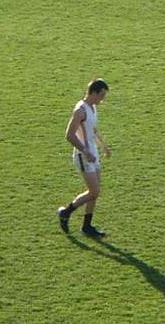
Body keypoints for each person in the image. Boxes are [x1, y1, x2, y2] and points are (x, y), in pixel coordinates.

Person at [58, 79, 111, 238]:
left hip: (92, 153)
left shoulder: (93, 107)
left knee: (95, 192)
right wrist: (85, 151)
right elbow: (69, 135)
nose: (102, 99)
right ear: (93, 92)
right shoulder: (80, 110)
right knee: (94, 191)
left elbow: (93, 129)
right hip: (83, 155)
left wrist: (103, 146)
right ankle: (66, 212)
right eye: (101, 95)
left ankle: (87, 226)